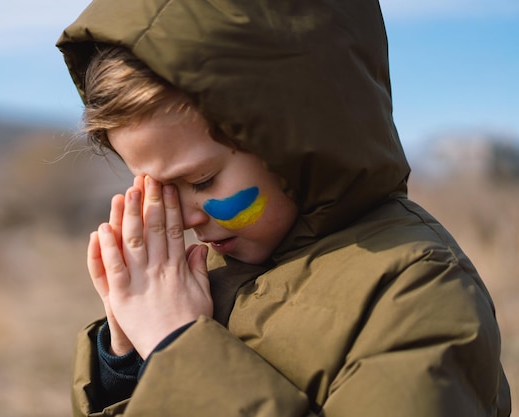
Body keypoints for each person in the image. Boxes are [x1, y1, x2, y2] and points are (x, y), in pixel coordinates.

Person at [56, 1, 511, 416]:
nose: (186, 217)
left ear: (294, 143)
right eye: (159, 188)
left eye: (201, 181)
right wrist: (129, 358)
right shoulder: (201, 278)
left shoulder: (418, 289)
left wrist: (175, 345)